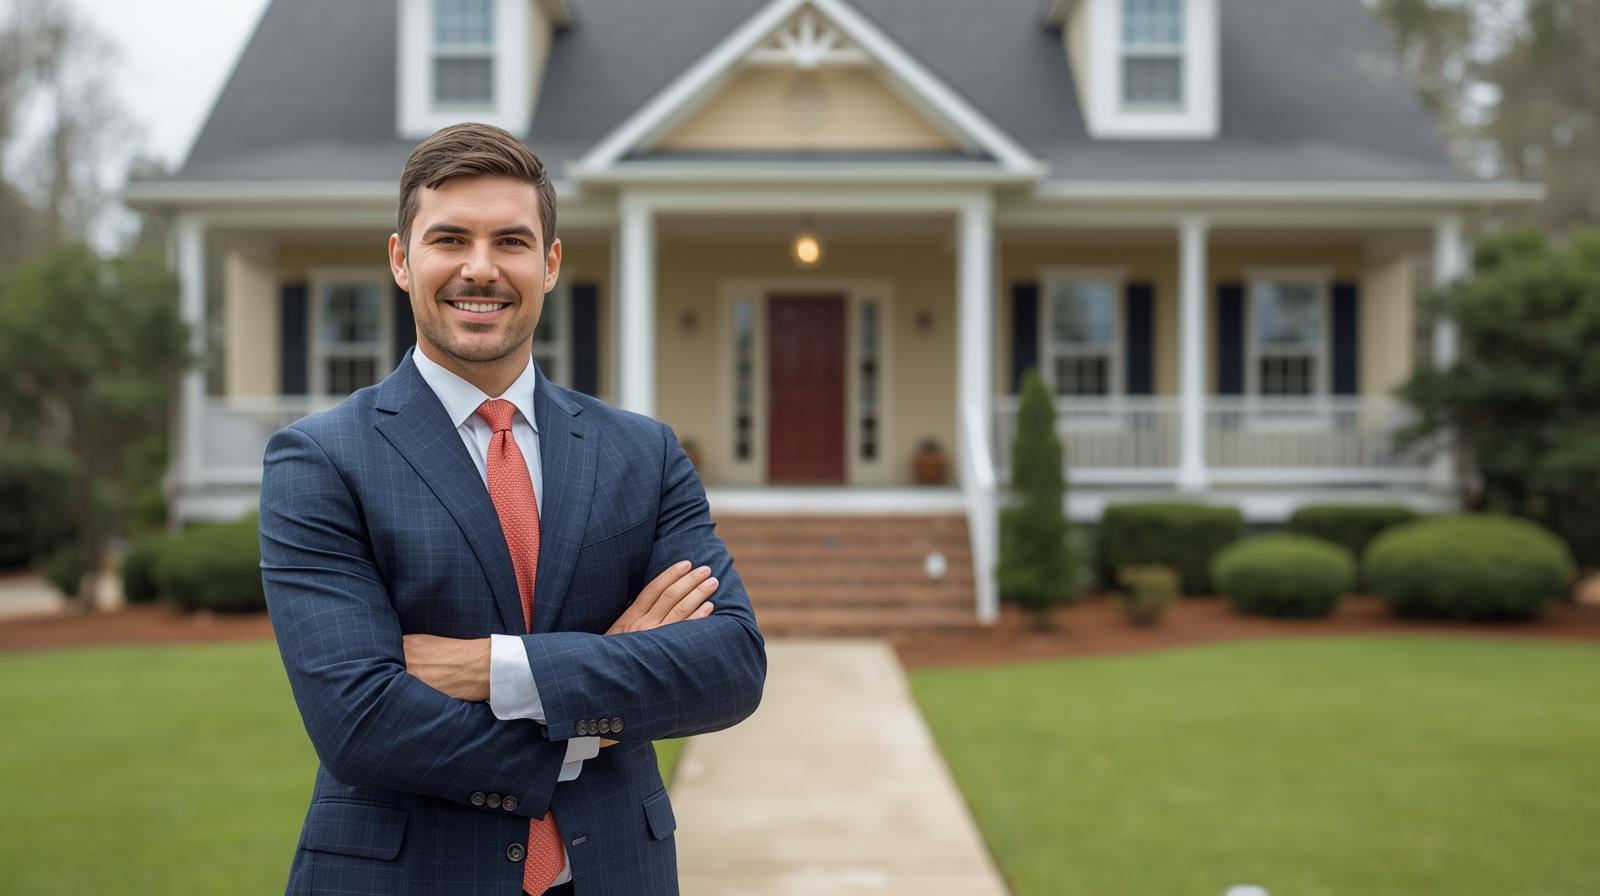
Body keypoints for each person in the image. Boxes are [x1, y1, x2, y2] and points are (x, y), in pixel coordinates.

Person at [259, 121, 766, 895]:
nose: (481, 268)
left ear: (551, 263)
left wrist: (490, 667)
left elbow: (729, 666)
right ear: (402, 259)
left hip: (616, 872)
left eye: (512, 242)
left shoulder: (643, 453)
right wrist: (596, 700)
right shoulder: (320, 460)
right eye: (450, 239)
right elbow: (358, 721)